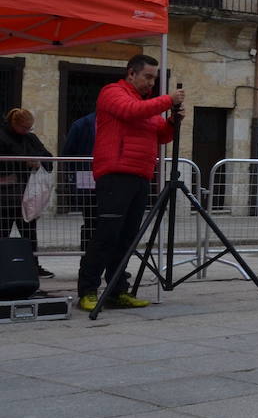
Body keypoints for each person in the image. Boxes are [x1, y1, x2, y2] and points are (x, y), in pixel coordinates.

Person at [76, 55, 183, 311]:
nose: (151, 82)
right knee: (106, 235)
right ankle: (88, 291)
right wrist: (168, 100)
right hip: (116, 173)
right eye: (147, 77)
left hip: (140, 175)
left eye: (154, 78)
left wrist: (171, 122)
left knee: (127, 238)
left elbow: (161, 135)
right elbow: (130, 112)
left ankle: (117, 290)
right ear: (131, 73)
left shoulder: (145, 104)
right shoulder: (113, 93)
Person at [0, 108, 55, 278]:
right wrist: (24, 163)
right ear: (14, 124)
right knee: (3, 232)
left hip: (27, 195)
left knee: (29, 233)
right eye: (24, 128)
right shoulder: (2, 137)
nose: (27, 131)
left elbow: (47, 158)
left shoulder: (30, 138)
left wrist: (38, 162)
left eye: (29, 128)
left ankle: (33, 265)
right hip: (6, 197)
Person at [61, 111, 98, 252]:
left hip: (108, 178)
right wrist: (74, 174)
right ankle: (88, 257)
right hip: (87, 177)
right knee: (90, 219)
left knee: (107, 222)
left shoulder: (116, 123)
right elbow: (68, 153)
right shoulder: (82, 125)